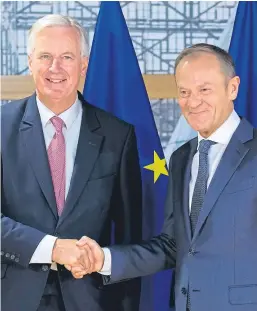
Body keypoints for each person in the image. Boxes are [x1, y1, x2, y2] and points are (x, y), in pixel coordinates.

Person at [74, 43, 257, 311]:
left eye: (204, 89)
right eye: (184, 92)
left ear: (233, 88)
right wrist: (104, 258)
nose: (193, 102)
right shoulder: (182, 158)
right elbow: (173, 245)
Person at [1, 14, 142, 311]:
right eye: (45, 56)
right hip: (12, 297)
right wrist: (52, 248)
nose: (56, 68)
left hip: (92, 300)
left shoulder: (118, 135)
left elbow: (130, 239)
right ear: (30, 61)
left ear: (84, 64)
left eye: (67, 56)